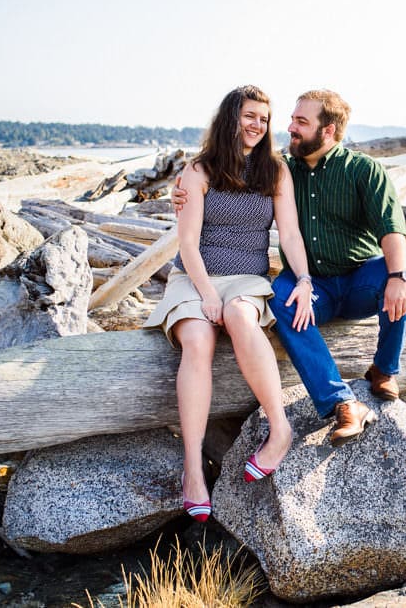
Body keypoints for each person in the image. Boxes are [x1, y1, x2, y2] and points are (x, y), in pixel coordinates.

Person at [174, 89, 406, 447]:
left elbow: (393, 230)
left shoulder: (364, 169)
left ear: (328, 130)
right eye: (291, 119)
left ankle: (384, 369)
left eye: (301, 122)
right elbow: (223, 184)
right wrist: (179, 191)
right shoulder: (283, 169)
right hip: (313, 288)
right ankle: (341, 402)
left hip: (358, 282)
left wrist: (397, 277)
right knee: (281, 301)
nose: (289, 127)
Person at [144, 85, 314, 522]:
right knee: (198, 340)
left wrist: (305, 277)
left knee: (240, 314)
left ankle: (280, 429)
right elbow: (188, 242)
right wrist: (204, 295)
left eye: (263, 117)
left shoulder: (274, 171)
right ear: (230, 118)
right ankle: (193, 467)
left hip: (246, 277)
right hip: (195, 276)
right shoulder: (199, 171)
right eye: (249, 116)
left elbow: (290, 235)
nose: (257, 124)